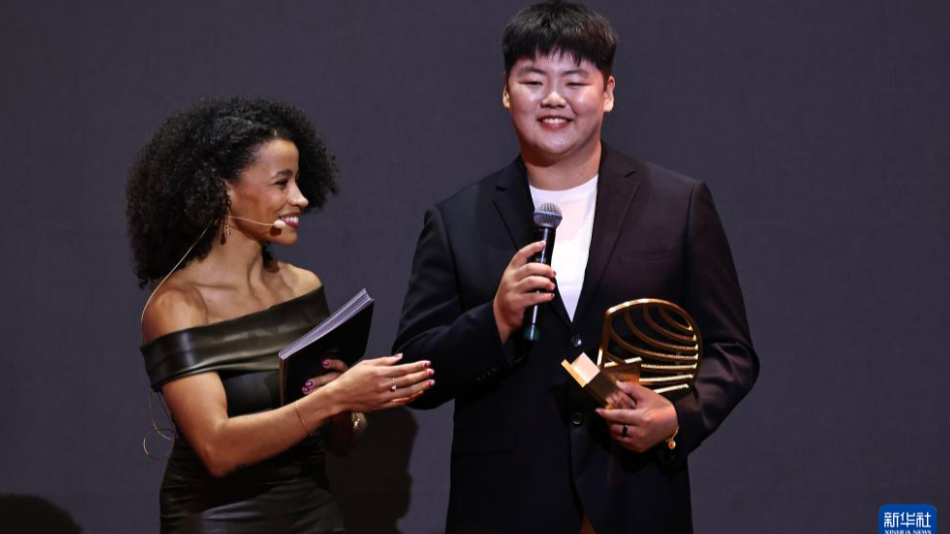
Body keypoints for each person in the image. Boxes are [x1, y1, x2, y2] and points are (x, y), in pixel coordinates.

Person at [393, 2, 759, 534]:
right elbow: (414, 370)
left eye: (575, 81)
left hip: (634, 494)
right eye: (533, 81)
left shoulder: (678, 204)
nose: (553, 98)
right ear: (506, 91)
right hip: (505, 504)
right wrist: (495, 320)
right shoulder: (455, 220)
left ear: (607, 93)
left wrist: (677, 417)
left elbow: (733, 352)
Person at [127, 97, 435, 534]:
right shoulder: (177, 304)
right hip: (219, 520)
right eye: (281, 183)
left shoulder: (303, 288)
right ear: (223, 190)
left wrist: (344, 408)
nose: (301, 199)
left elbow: (341, 441)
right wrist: (334, 397)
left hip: (313, 512)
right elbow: (217, 448)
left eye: (299, 181)